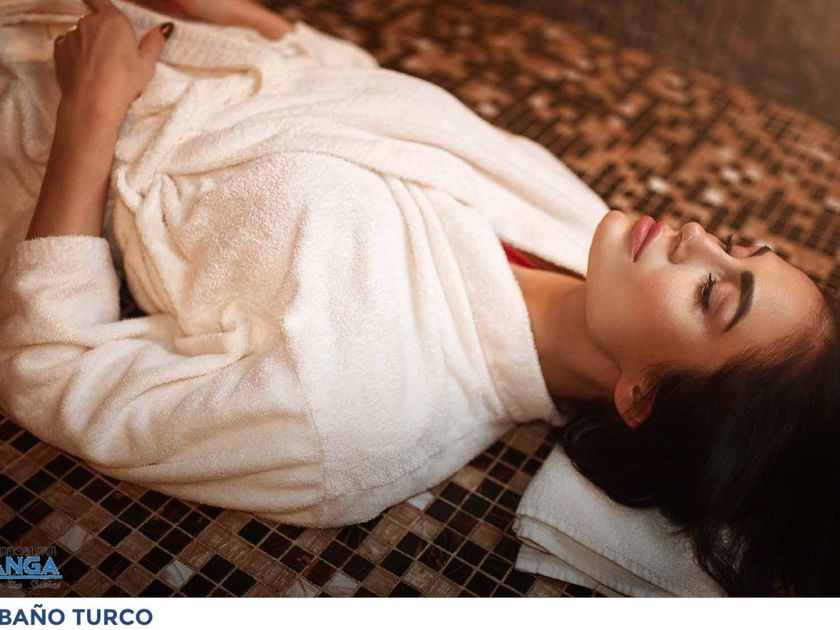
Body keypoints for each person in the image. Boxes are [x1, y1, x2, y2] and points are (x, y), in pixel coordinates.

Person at [0, 0, 837, 596]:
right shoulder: (574, 220)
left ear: (642, 396)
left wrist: (90, 112)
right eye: (738, 247)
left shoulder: (354, 418)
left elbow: (53, 370)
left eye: (712, 294)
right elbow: (359, 84)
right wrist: (222, 12)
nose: (697, 235)